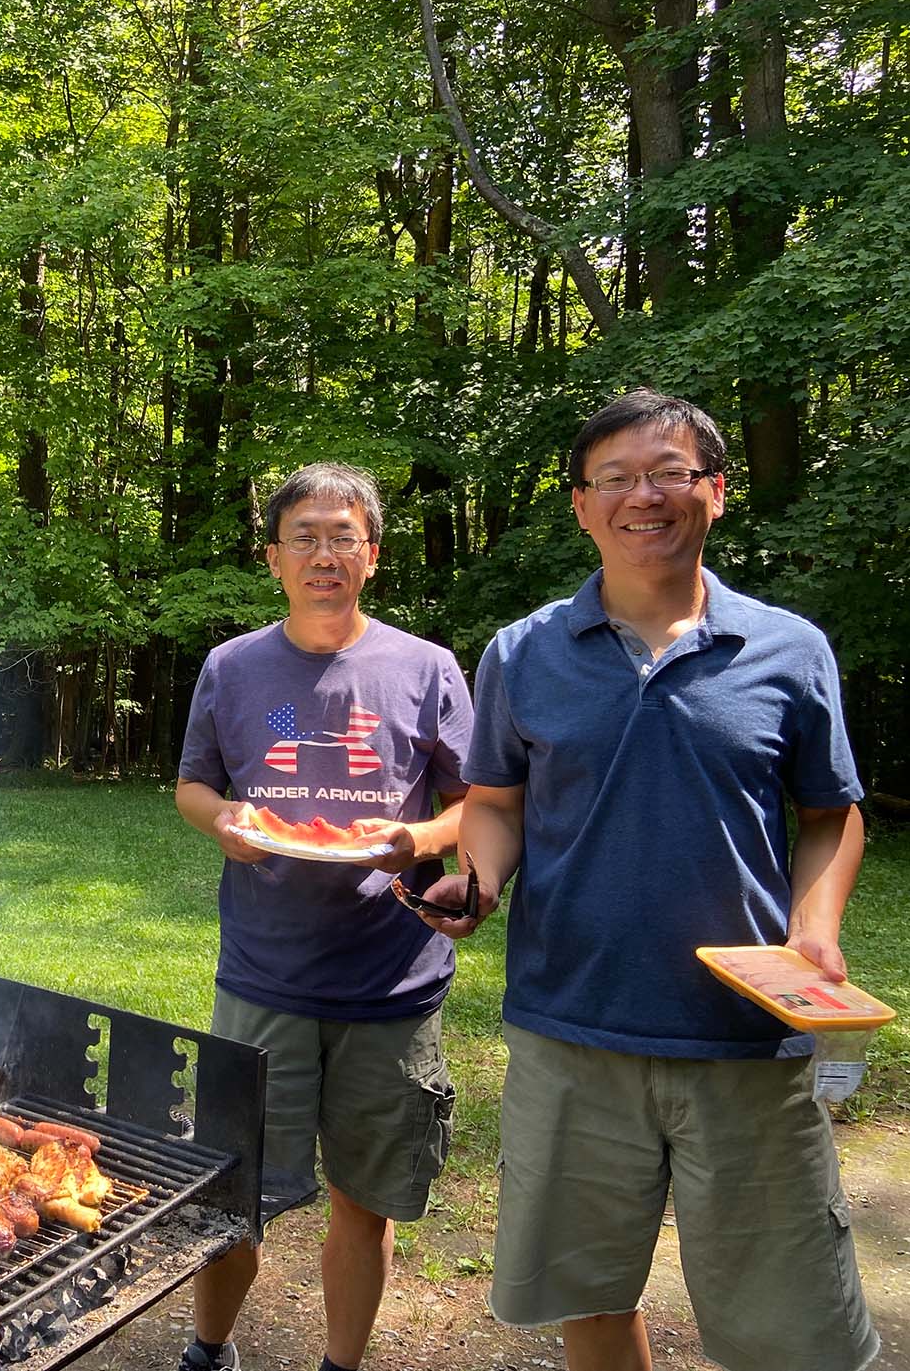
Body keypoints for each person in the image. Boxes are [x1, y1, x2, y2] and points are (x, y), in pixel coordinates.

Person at [415, 389, 877, 1371]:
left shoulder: (789, 650)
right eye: (614, 478)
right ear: (581, 506)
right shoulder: (522, 651)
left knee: (788, 1332)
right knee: (588, 1293)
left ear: (715, 491)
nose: (644, 497)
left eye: (669, 473)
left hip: (744, 1036)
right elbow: (494, 802)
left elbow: (831, 814)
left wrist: (814, 926)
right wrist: (480, 880)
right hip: (570, 1027)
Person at [174, 462, 477, 1371]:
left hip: (390, 980)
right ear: (274, 556)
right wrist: (222, 821)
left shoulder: (426, 668)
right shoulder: (232, 666)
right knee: (235, 1191)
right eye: (303, 535)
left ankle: (341, 1365)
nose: (323, 553)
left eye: (343, 535)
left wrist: (418, 837)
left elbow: (479, 804)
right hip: (263, 974)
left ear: (372, 555)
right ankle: (208, 1350)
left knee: (364, 1199)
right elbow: (193, 785)